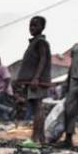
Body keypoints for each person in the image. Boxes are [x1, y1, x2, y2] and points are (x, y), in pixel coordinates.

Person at [15, 16, 51, 145]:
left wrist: (36, 78)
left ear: (42, 27)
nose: (32, 28)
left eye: (35, 25)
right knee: (37, 107)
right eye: (31, 25)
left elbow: (43, 60)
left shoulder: (41, 42)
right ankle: (41, 139)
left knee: (38, 107)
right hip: (34, 80)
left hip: (38, 80)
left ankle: (35, 138)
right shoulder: (34, 42)